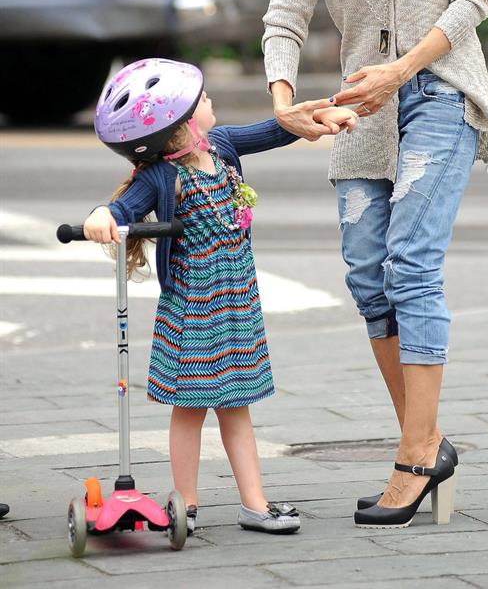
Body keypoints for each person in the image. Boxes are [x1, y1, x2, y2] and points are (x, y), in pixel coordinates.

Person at [262, 0, 488, 529]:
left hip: (439, 88)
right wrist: (287, 102)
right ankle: (426, 439)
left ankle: (415, 455)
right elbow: (286, 16)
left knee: (409, 263)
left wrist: (402, 66)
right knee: (368, 274)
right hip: (362, 110)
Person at [83, 58, 356, 536]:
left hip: (236, 305)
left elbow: (273, 131)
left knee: (237, 405)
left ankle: (254, 504)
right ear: (180, 122)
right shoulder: (160, 177)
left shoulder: (223, 145)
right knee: (189, 409)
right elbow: (121, 207)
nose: (209, 101)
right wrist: (101, 216)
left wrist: (317, 121)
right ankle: (184, 505)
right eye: (201, 99)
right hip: (192, 311)